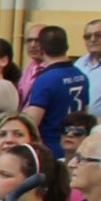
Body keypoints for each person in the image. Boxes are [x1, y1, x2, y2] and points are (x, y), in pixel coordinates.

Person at [21, 24, 88, 156]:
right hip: (74, 147)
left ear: (42, 48)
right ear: (66, 46)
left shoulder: (46, 79)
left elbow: (32, 121)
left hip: (50, 148)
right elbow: (85, 112)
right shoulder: (81, 75)